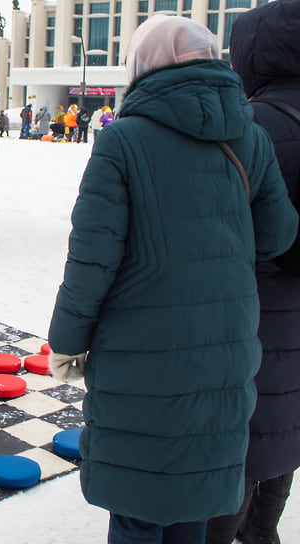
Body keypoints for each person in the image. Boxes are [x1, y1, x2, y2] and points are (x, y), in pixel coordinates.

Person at [47, 15, 298, 544]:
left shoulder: (123, 142)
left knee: (139, 513)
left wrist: (66, 341)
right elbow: (277, 236)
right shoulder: (249, 137)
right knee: (194, 507)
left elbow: (90, 260)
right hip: (224, 353)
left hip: (142, 360)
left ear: (140, 68)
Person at [206, 2, 300, 542]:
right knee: (286, 424)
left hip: (250, 303)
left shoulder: (249, 124)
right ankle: (264, 531)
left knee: (242, 432)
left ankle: (223, 531)